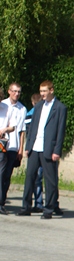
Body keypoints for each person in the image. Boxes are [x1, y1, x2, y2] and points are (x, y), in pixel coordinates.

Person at [16, 81, 67, 219]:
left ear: (51, 90)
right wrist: (28, 147)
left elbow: (61, 131)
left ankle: (48, 209)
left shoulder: (60, 108)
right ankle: (26, 207)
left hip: (49, 149)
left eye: (44, 91)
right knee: (30, 177)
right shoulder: (38, 106)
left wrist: (57, 151)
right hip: (35, 147)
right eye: (41, 91)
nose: (42, 94)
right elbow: (32, 127)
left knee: (50, 181)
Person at [0, 83, 27, 215]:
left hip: (11, 146)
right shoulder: (4, 104)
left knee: (6, 176)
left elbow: (21, 130)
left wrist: (21, 149)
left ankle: (2, 202)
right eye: (14, 91)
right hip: (3, 146)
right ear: (9, 91)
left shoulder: (22, 109)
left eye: (19, 92)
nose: (17, 94)